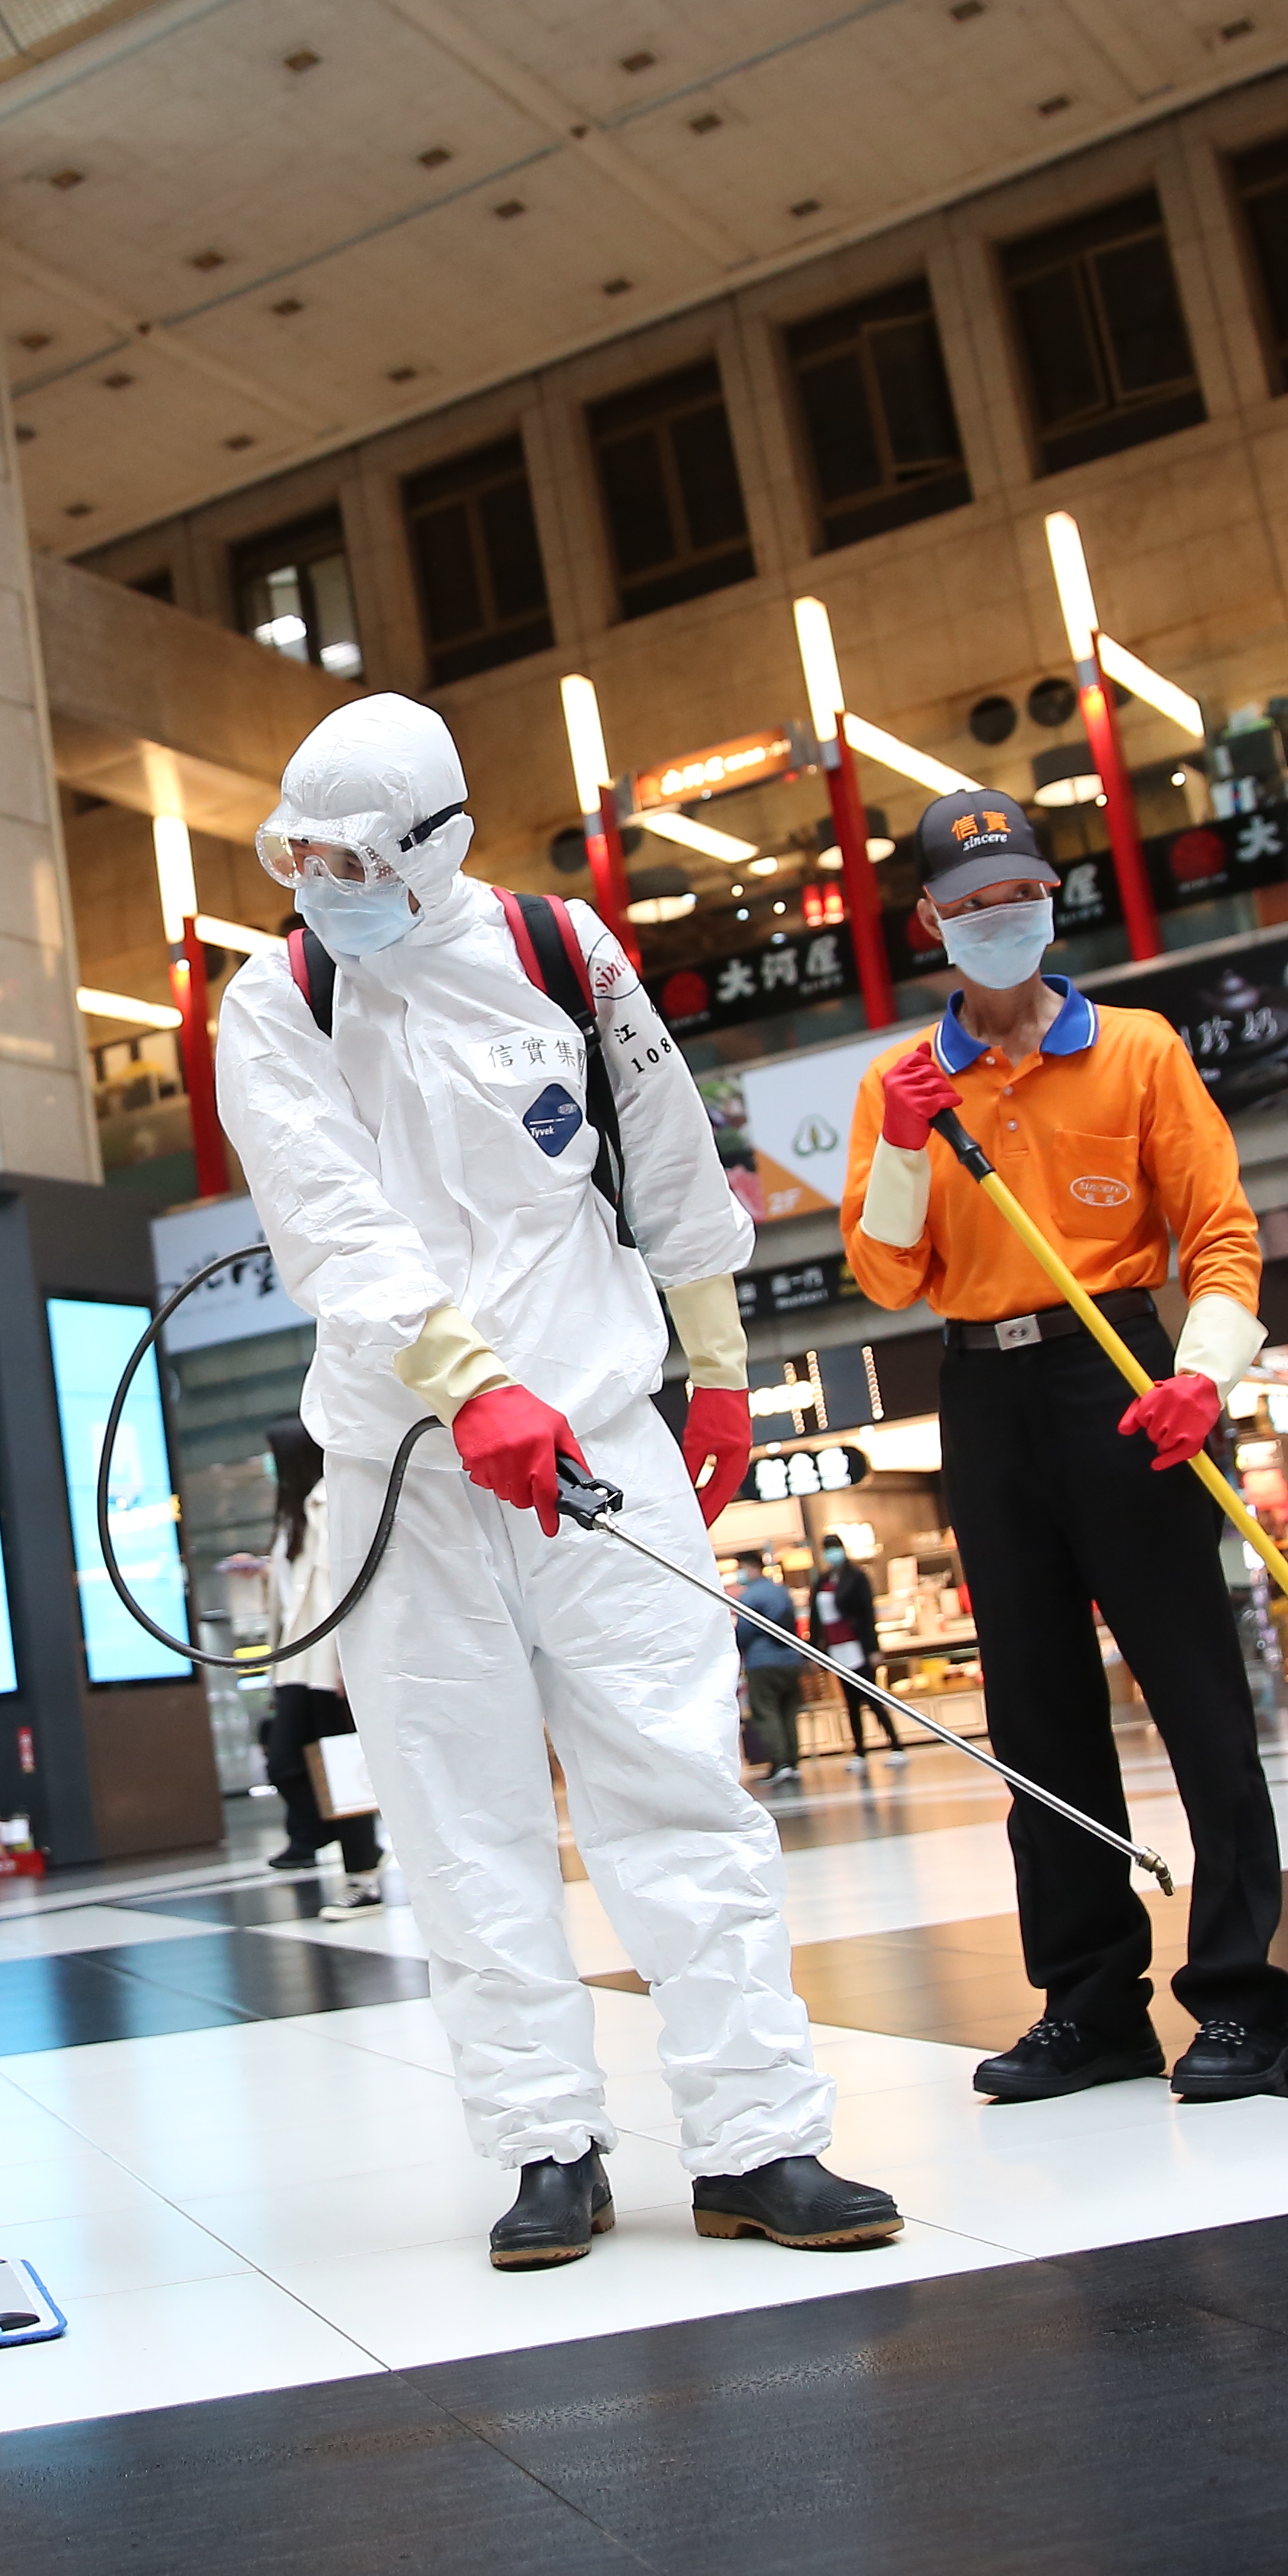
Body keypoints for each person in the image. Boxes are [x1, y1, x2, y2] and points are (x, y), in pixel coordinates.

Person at [214, 694, 896, 2270]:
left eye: (354, 856)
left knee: (681, 1783)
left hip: (599, 1435)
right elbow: (330, 1222)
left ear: (439, 843)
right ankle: (545, 2145)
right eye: (300, 853)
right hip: (407, 1467)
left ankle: (758, 2139)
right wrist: (465, 1386)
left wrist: (714, 1358)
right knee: (460, 1815)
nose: (322, 880)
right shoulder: (275, 996)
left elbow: (663, 1153)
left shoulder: (558, 948)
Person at [839, 786, 1288, 2103]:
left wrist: (1202, 1377)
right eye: (973, 904)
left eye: (1023, 895)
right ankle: (1092, 2005)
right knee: (1039, 1713)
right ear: (931, 921)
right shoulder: (899, 1083)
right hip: (983, 1399)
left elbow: (1220, 1239)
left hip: (1125, 1376)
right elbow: (884, 1276)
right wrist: (913, 1146)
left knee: (1198, 1696)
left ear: (1054, 899)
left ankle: (1242, 2002)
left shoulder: (1141, 1050)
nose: (1003, 919)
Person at [252, 1421, 384, 1913]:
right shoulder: (294, 1513)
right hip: (294, 1663)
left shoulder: (329, 1501)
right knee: (284, 1760)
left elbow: (341, 1586)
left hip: (326, 1662)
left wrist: (346, 1663)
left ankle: (362, 1876)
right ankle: (319, 1838)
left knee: (341, 1770)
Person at [732, 1557, 804, 1787]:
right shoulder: (781, 1591)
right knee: (788, 1712)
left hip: (762, 1662)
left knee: (766, 1711)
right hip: (790, 1660)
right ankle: (792, 1762)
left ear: (752, 1568)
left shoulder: (751, 1596)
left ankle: (779, 1762)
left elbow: (744, 1632)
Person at [809, 1542, 884, 1757]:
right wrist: (814, 1651)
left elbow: (868, 1614)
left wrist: (873, 1648)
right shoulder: (822, 1581)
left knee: (871, 1697)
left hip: (856, 1643)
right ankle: (859, 1750)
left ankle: (895, 1744)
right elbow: (816, 1619)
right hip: (836, 1647)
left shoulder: (857, 1577)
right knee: (850, 1702)